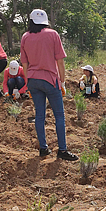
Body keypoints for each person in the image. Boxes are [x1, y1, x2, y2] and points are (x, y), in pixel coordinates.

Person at [19, 9, 77, 160]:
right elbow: (60, 62)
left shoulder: (25, 37)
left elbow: (24, 65)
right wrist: (62, 82)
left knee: (39, 115)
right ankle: (62, 150)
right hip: (50, 80)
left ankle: (43, 149)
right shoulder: (52, 34)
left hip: (33, 80)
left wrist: (27, 84)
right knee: (59, 115)